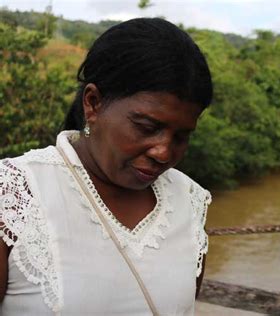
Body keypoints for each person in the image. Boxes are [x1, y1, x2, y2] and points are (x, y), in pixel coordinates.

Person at [0, 17, 213, 315]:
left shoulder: (189, 200)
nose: (163, 153)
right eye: (146, 127)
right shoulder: (14, 195)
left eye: (181, 136)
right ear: (94, 103)